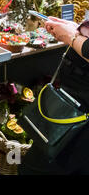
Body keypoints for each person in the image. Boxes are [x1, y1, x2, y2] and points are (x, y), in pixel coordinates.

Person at [19, 17, 89, 174]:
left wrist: (72, 36)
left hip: (80, 111)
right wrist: (79, 29)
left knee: (35, 168)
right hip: (76, 100)